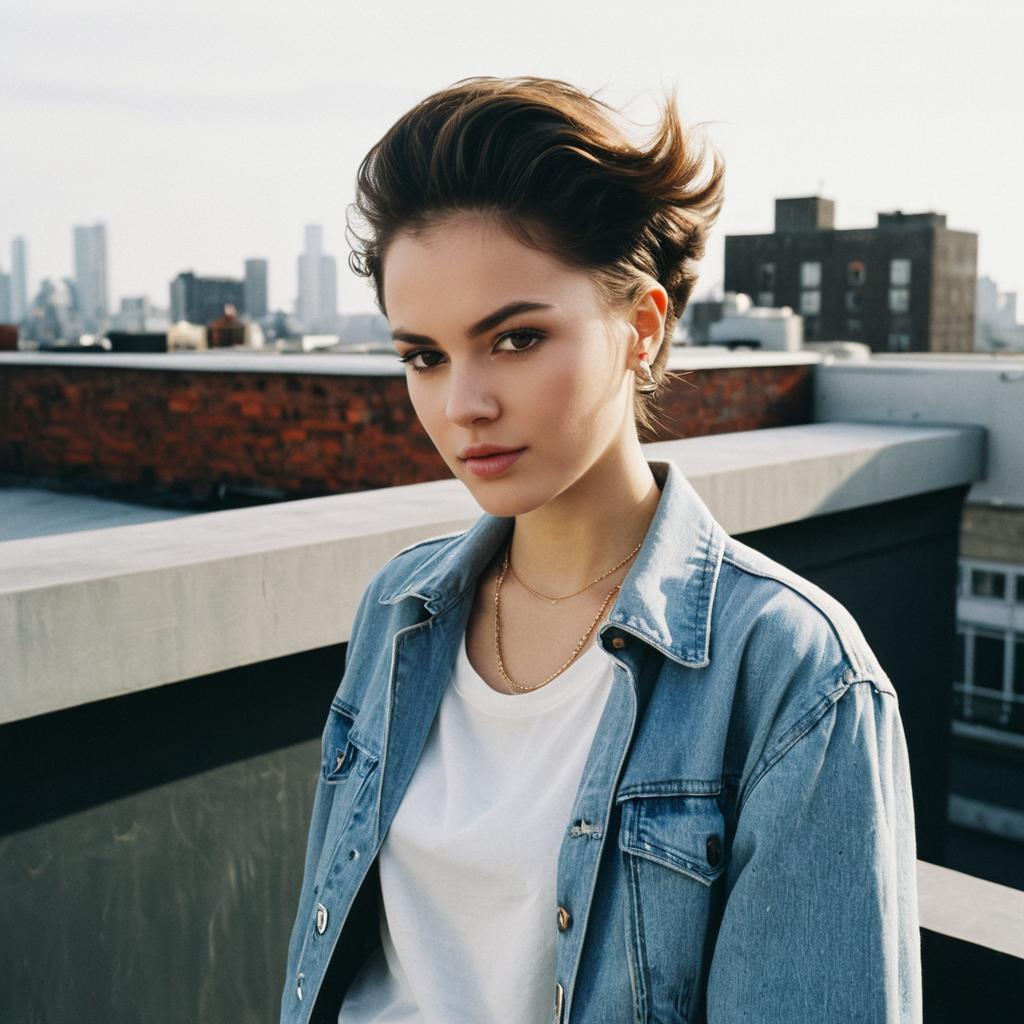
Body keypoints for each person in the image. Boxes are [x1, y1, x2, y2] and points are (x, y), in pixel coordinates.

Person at [281, 76, 922, 1024]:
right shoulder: (399, 611)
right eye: (424, 355)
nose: (463, 405)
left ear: (643, 328)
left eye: (517, 338)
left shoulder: (792, 674)